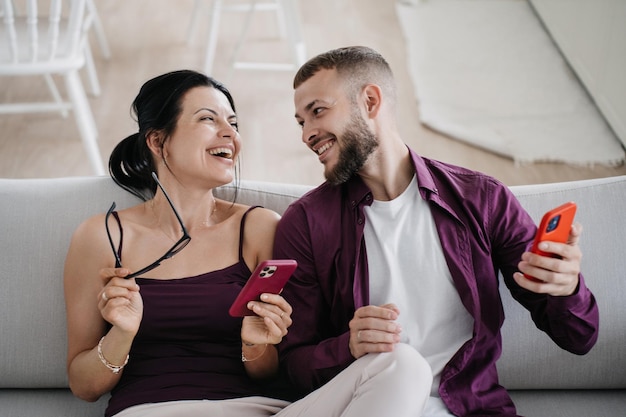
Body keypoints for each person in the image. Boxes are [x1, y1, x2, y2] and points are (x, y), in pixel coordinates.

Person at [64, 69, 429, 417]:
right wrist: (122, 335)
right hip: (152, 410)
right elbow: (84, 386)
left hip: (259, 410)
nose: (230, 135)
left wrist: (255, 345)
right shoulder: (102, 237)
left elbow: (273, 371)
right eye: (209, 119)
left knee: (403, 364)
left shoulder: (258, 227)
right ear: (158, 141)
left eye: (233, 123)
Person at [273, 46, 600, 416]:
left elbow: (579, 337)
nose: (307, 135)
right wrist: (348, 346)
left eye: (317, 112)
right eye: (301, 122)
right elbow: (293, 366)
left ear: (369, 101)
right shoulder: (306, 222)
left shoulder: (482, 200)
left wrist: (565, 288)